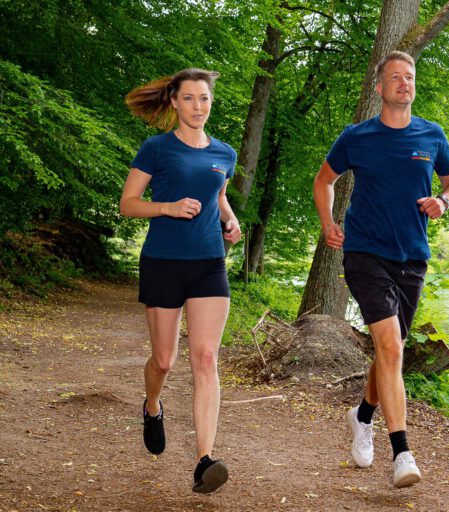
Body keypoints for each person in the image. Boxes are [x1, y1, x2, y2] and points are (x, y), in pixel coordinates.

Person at [312, 51, 449, 488]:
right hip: (364, 252)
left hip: (412, 256)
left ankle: (362, 415)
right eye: (395, 77)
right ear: (379, 88)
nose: (404, 82)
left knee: (389, 351)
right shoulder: (356, 137)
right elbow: (324, 180)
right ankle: (402, 454)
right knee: (392, 348)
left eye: (410, 76)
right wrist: (328, 222)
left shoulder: (431, 135)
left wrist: (443, 202)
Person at [119, 68, 241, 494]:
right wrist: (168, 207)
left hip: (209, 262)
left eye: (204, 99)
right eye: (189, 99)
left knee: (206, 359)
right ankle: (153, 406)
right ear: (174, 101)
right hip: (164, 262)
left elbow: (219, 195)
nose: (197, 107)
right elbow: (128, 205)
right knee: (165, 361)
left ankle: (203, 461)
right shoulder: (156, 148)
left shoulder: (224, 153)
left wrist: (230, 219)